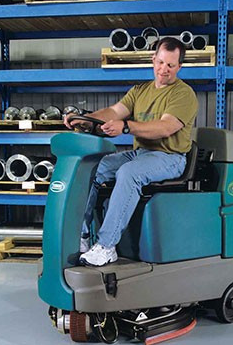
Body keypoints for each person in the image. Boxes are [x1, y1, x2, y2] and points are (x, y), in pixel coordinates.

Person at [65, 36, 198, 267]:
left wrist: (126, 127)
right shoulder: (140, 91)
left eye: (170, 65)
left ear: (179, 67)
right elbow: (113, 112)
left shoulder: (183, 94)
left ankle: (106, 247)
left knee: (129, 173)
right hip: (141, 154)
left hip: (171, 157)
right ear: (153, 59)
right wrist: (84, 119)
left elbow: (165, 127)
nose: (164, 69)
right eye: (160, 62)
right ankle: (83, 237)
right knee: (94, 168)